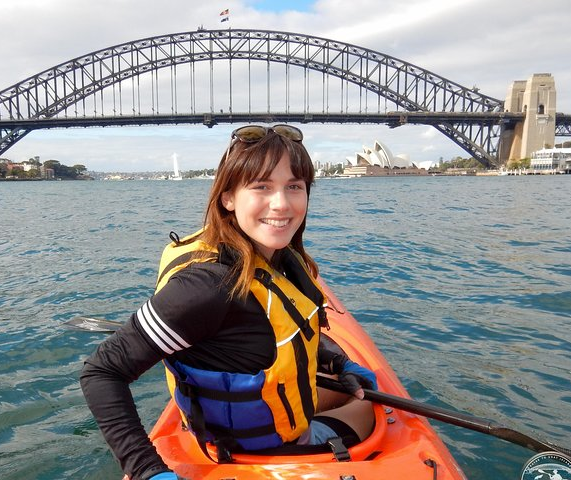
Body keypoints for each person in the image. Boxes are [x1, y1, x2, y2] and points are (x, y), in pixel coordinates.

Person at [80, 124, 378, 480]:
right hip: (260, 447)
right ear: (228, 198)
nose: (281, 204)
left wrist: (338, 361)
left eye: (294, 186)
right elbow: (101, 372)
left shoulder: (276, 259)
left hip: (251, 416)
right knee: (367, 405)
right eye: (262, 187)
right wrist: (146, 470)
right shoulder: (207, 286)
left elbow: (293, 330)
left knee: (344, 382)